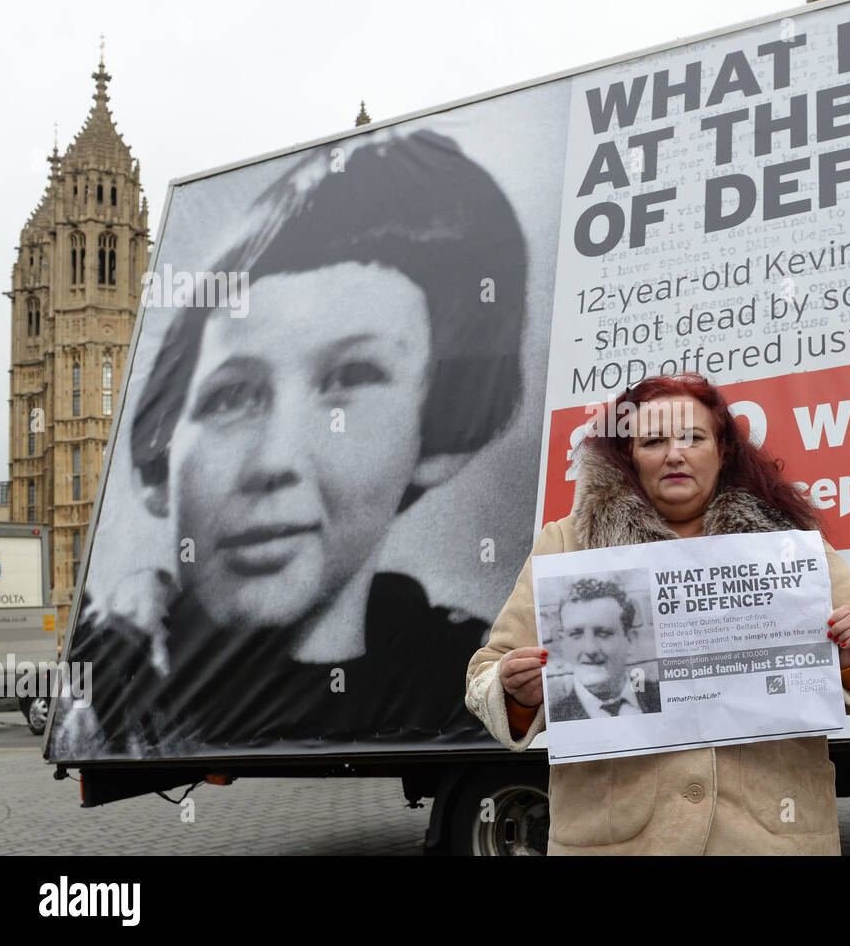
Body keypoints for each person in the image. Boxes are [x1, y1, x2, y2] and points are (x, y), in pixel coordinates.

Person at [56, 130, 526, 756]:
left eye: (350, 378)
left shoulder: (483, 674)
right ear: (156, 465)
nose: (274, 462)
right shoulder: (105, 681)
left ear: (444, 436)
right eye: (230, 396)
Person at [466, 373, 850, 855]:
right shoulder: (568, 545)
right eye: (653, 440)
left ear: (723, 451)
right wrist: (516, 694)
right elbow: (486, 675)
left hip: (767, 839)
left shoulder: (787, 543)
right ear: (628, 455)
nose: (674, 454)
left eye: (693, 438)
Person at [547, 576, 661, 721]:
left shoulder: (661, 697)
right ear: (563, 643)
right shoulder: (553, 719)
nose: (590, 649)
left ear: (630, 640)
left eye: (604, 633)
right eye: (576, 634)